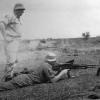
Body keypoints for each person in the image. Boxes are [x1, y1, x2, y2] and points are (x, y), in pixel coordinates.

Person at [0, 52, 70, 91]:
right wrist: (62, 73)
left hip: (24, 78)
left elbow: (50, 75)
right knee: (3, 87)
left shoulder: (45, 64)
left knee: (4, 85)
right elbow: (53, 80)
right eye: (55, 61)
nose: (56, 62)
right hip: (23, 80)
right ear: (52, 61)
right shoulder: (46, 66)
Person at [0, 3, 25, 81]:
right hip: (11, 41)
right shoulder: (10, 16)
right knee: (11, 60)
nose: (22, 12)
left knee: (14, 60)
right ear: (16, 10)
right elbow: (1, 24)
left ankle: (9, 75)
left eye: (22, 10)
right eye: (21, 10)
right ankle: (8, 78)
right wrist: (5, 37)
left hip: (15, 41)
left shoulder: (17, 19)